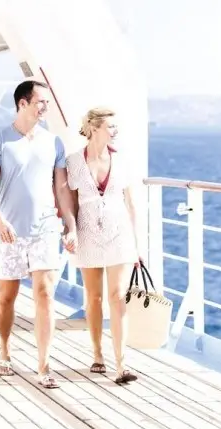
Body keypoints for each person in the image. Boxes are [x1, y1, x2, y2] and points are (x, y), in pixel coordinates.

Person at [0, 80, 77, 389]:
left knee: (45, 293)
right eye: (40, 102)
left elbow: (61, 187)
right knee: (6, 297)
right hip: (10, 232)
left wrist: (71, 224)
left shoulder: (54, 143)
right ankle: (4, 351)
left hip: (45, 229)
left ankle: (44, 366)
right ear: (22, 103)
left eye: (47, 102)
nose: (45, 107)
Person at [65, 107, 142, 384]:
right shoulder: (74, 161)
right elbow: (69, 203)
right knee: (94, 297)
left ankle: (122, 364)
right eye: (110, 126)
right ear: (94, 128)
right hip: (87, 233)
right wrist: (70, 231)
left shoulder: (122, 160)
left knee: (117, 296)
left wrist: (136, 246)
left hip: (119, 234)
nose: (115, 131)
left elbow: (131, 204)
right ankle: (98, 354)